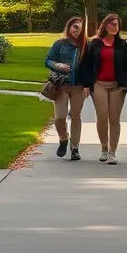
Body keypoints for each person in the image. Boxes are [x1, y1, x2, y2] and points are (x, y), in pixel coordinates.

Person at [80, 13, 127, 164]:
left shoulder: (121, 44)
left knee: (114, 119)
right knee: (102, 117)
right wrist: (86, 85)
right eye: (113, 24)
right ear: (106, 25)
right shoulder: (94, 43)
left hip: (117, 86)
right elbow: (86, 65)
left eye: (117, 25)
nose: (116, 27)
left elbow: (126, 66)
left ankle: (112, 152)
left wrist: (125, 83)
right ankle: (103, 148)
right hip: (99, 84)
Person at [44, 17, 90, 161]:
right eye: (75, 27)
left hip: (78, 86)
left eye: (80, 29)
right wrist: (58, 66)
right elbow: (48, 60)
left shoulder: (85, 46)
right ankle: (63, 138)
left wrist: (87, 85)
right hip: (61, 85)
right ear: (69, 27)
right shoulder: (60, 44)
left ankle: (75, 148)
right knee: (60, 117)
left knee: (76, 116)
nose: (77, 31)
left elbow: (89, 67)